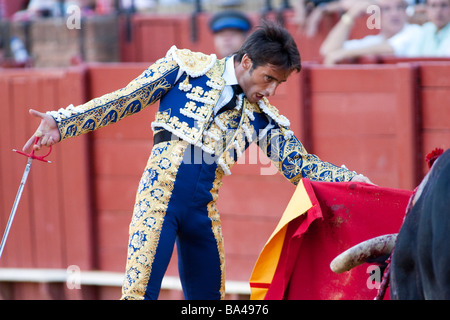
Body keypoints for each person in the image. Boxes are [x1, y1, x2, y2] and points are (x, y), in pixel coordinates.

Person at [23, 22, 371, 300]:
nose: (271, 92)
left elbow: (301, 166)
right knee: (139, 294)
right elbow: (124, 99)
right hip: (158, 201)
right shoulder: (184, 68)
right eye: (269, 79)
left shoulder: (262, 117)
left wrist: (354, 181)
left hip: (203, 211)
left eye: (278, 84)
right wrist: (62, 122)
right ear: (246, 61)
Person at [320, 0, 422, 64]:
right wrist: (350, 15)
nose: (394, 14)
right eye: (387, 9)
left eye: (399, 7)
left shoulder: (415, 31)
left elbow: (391, 48)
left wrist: (344, 53)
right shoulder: (373, 41)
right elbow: (328, 50)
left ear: (406, 13)